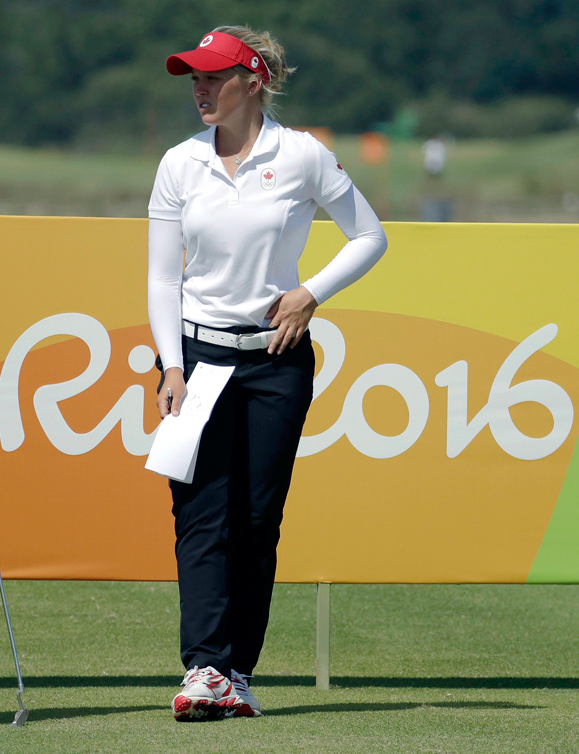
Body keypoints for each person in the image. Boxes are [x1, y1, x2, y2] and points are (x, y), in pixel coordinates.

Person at [148, 26, 387, 721]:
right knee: (199, 516)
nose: (199, 89)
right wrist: (170, 365)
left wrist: (311, 292)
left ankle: (236, 673)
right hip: (196, 359)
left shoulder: (304, 155)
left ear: (254, 82)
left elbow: (369, 236)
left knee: (257, 519)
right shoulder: (179, 164)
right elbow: (164, 278)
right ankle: (203, 668)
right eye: (192, 78)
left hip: (276, 364)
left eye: (213, 78)